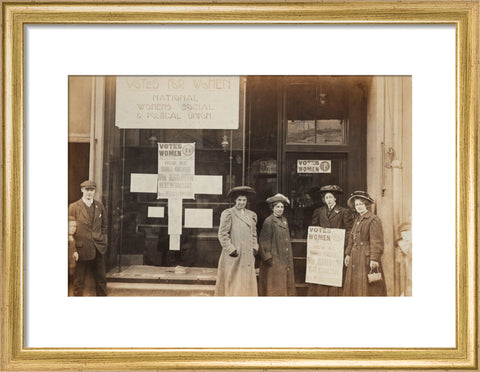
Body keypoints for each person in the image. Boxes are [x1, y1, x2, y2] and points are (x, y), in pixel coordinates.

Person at [309, 185, 353, 296]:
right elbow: (314, 228)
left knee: (335, 275)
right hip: (323, 250)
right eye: (326, 197)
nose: (328, 200)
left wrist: (342, 244)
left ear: (335, 199)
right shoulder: (318, 211)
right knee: (323, 274)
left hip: (336, 249)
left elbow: (349, 230)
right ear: (324, 199)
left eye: (330, 197)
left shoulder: (343, 211)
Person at [215, 186, 259, 296]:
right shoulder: (229, 213)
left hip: (248, 255)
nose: (242, 202)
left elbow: (254, 234)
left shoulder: (251, 215)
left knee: (246, 284)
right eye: (239, 200)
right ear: (235, 200)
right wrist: (231, 249)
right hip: (234, 254)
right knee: (234, 284)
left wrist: (254, 247)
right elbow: (222, 234)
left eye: (244, 200)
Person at [68, 180, 108, 296]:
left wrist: (104, 242)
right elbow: (69, 231)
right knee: (78, 282)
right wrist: (73, 249)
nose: (89, 193)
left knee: (101, 281)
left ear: (95, 191)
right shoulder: (74, 207)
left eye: (92, 190)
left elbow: (105, 227)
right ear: (82, 190)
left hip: (98, 248)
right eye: (87, 190)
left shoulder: (99, 206)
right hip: (81, 250)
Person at [343, 191, 387, 296]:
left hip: (365, 258)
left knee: (366, 288)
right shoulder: (357, 219)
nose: (358, 207)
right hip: (355, 256)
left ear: (366, 205)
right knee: (354, 285)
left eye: (361, 204)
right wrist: (348, 254)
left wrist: (374, 259)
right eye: (357, 204)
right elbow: (351, 238)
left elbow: (377, 241)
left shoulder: (373, 219)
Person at [258, 193, 296, 296]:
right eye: (277, 207)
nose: (280, 209)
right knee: (275, 287)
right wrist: (268, 258)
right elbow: (263, 242)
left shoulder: (284, 220)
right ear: (273, 208)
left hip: (284, 259)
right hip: (274, 260)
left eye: (282, 207)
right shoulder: (269, 221)